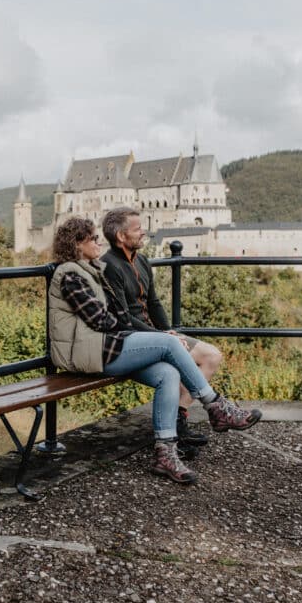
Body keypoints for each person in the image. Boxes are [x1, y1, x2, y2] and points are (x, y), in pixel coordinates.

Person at [48, 216, 261, 484]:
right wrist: (135, 327)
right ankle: (216, 406)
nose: (98, 242)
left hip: (103, 347)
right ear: (77, 244)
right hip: (88, 354)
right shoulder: (70, 274)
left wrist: (127, 323)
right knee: (169, 343)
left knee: (168, 374)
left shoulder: (91, 269)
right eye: (93, 238)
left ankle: (165, 454)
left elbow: (118, 316)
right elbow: (101, 320)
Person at [101, 207, 222, 453]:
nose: (144, 232)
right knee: (175, 368)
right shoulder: (109, 265)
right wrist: (163, 336)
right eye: (138, 229)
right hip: (133, 339)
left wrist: (169, 331)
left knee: (212, 356)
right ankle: (209, 412)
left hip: (158, 336)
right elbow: (123, 318)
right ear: (121, 236)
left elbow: (154, 303)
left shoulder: (142, 260)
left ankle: (179, 420)